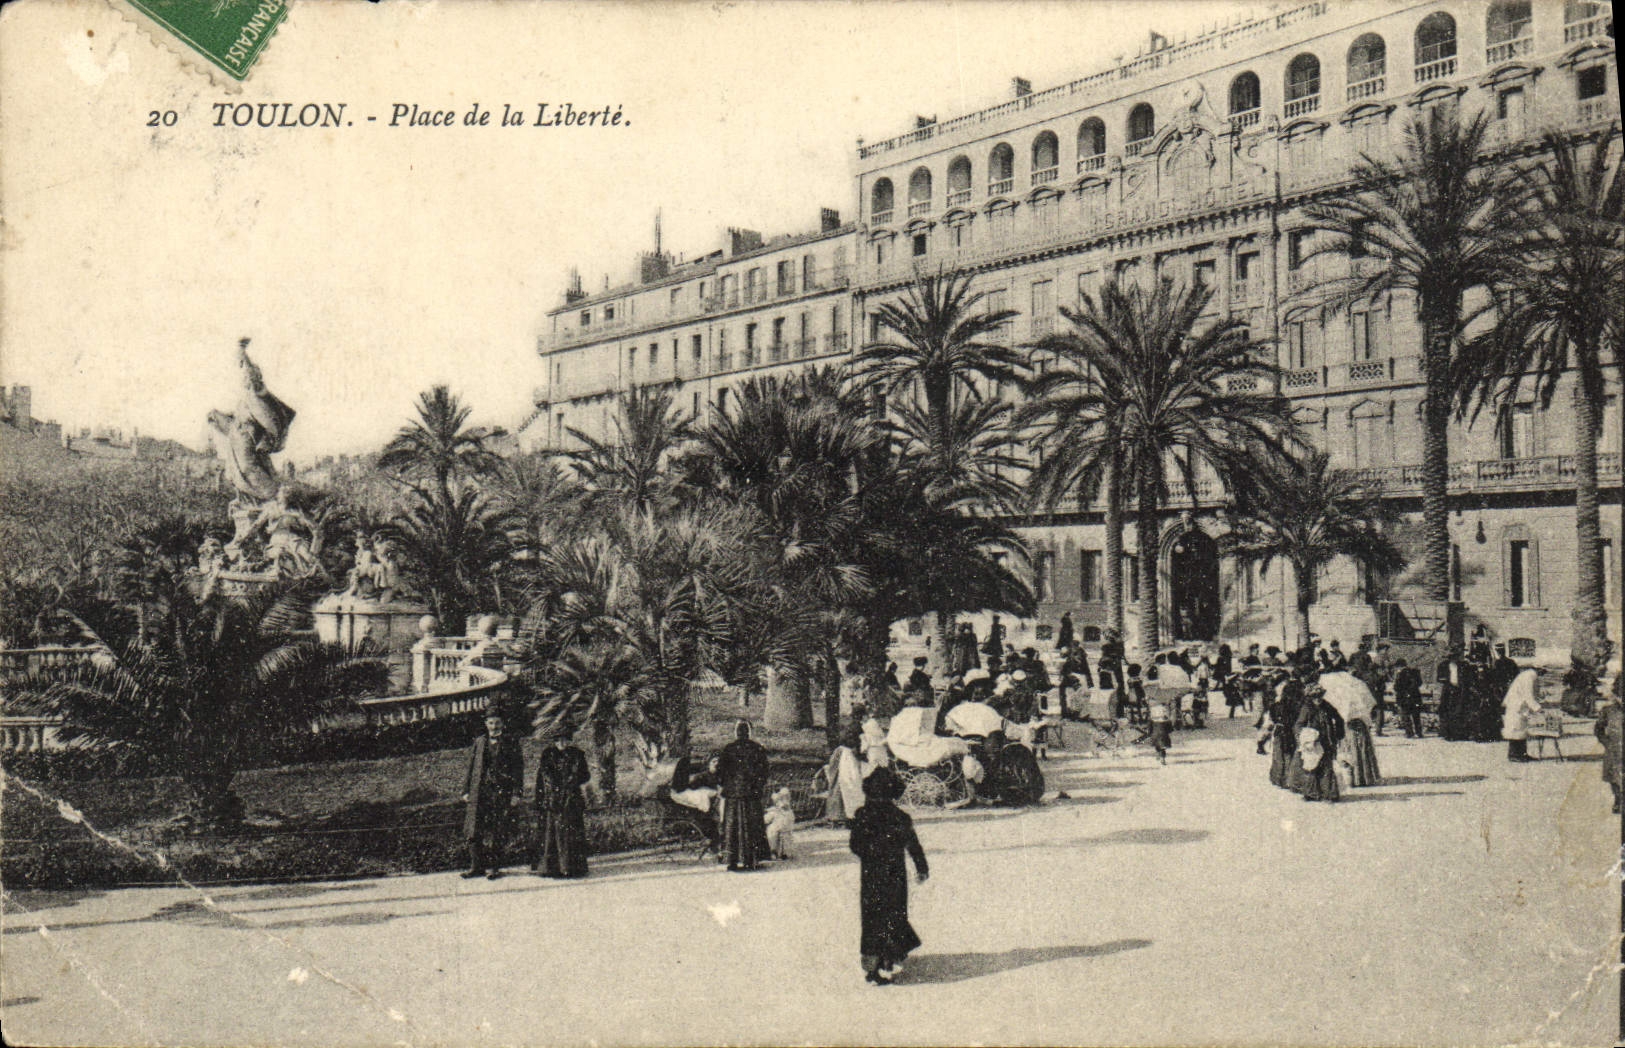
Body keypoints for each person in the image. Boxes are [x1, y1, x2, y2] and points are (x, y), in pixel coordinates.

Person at [848, 767, 928, 986]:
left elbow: (855, 845)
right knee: (894, 914)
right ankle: (888, 960)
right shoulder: (900, 817)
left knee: (872, 918)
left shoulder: (862, 815)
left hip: (871, 874)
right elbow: (914, 846)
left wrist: (870, 854)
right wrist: (922, 869)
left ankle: (871, 967)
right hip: (895, 874)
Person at [462, 710, 524, 880]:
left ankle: (494, 868)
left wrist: (517, 793)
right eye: (491, 723)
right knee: (474, 830)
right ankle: (476, 867)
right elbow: (471, 767)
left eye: (497, 723)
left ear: (502, 724)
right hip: (479, 791)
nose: (494, 727)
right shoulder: (479, 742)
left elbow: (518, 769)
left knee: (497, 830)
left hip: (500, 792)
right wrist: (466, 790)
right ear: (486, 724)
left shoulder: (511, 742)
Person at [533, 723, 590, 878]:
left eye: (565, 740)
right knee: (552, 833)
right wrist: (543, 798)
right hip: (554, 800)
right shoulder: (548, 755)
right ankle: (552, 868)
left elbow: (585, 775)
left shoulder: (577, 754)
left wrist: (573, 782)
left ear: (569, 740)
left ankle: (572, 868)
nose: (562, 744)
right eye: (558, 740)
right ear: (554, 741)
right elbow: (543, 778)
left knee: (572, 832)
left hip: (571, 798)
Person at [717, 720, 771, 870]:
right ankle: (751, 860)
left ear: (736, 732)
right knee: (752, 826)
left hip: (733, 795)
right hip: (751, 795)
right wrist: (757, 787)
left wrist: (726, 785)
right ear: (749, 732)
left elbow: (720, 773)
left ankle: (732, 861)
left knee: (732, 827)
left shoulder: (729, 749)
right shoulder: (757, 749)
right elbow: (764, 771)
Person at [1290, 683, 1345, 802]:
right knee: (1311, 767)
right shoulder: (1306, 708)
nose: (1318, 699)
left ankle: (1329, 794)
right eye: (1315, 696)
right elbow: (1298, 725)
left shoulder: (1327, 706)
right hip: (1313, 743)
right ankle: (1310, 793)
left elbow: (1339, 718)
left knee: (1326, 767)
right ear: (1310, 697)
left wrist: (1339, 734)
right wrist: (1304, 737)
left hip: (1327, 740)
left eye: (1320, 696)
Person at [817, 722, 867, 826]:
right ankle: (840, 816)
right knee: (844, 789)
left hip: (841, 770)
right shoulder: (846, 751)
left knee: (840, 789)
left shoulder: (840, 750)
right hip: (843, 772)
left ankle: (839, 816)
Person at [1501, 665, 1543, 763]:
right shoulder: (1530, 676)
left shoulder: (1528, 675)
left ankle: (1522, 753)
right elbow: (1528, 695)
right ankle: (1514, 755)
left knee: (1521, 729)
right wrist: (1538, 708)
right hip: (1516, 705)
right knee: (1516, 730)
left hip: (1519, 705)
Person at [1595, 678, 1622, 814]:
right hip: (1614, 748)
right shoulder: (1608, 710)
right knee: (1613, 777)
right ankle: (1618, 799)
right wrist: (1607, 743)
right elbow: (1598, 730)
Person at [1393, 658, 1424, 739]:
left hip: (1404, 698)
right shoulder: (1415, 672)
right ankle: (1419, 732)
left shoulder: (1400, 674)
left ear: (1399, 666)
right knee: (1416, 716)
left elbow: (1396, 687)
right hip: (1415, 697)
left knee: (1406, 716)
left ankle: (1409, 733)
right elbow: (1420, 683)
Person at [764, 786, 797, 859]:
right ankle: (786, 853)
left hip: (777, 829)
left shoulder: (775, 811)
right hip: (786, 830)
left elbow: (766, 819)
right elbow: (792, 820)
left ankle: (774, 852)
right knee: (786, 839)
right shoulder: (790, 811)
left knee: (772, 835)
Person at [1148, 699, 1172, 765]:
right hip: (1163, 730)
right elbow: (1168, 723)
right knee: (1163, 746)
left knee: (1157, 744)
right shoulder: (1165, 710)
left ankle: (1158, 754)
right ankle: (1162, 758)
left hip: (1155, 730)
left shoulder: (1152, 710)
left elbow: (1150, 723)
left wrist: (1149, 731)